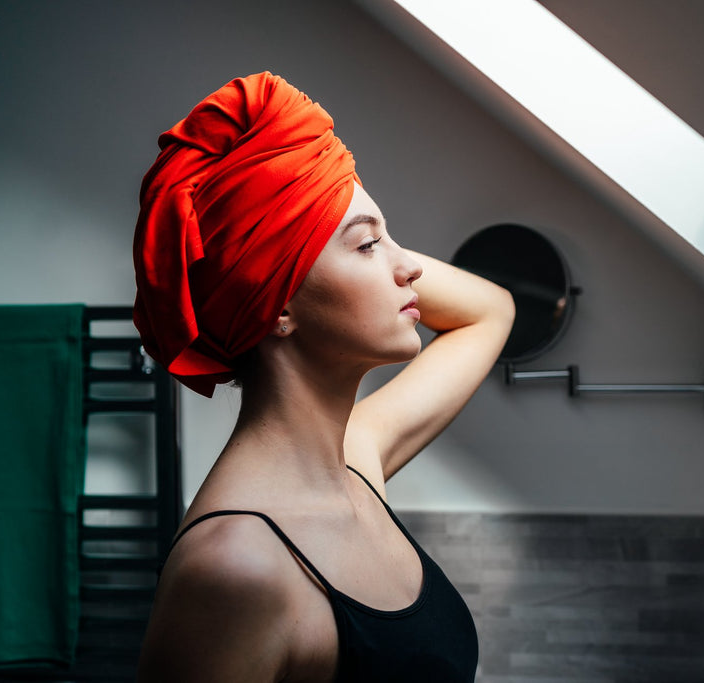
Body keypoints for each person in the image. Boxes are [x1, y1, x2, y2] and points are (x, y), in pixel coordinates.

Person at [131, 72, 514, 682]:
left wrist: (347, 218)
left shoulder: (354, 462)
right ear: (276, 305)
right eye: (368, 247)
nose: (410, 266)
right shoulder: (236, 569)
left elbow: (492, 310)